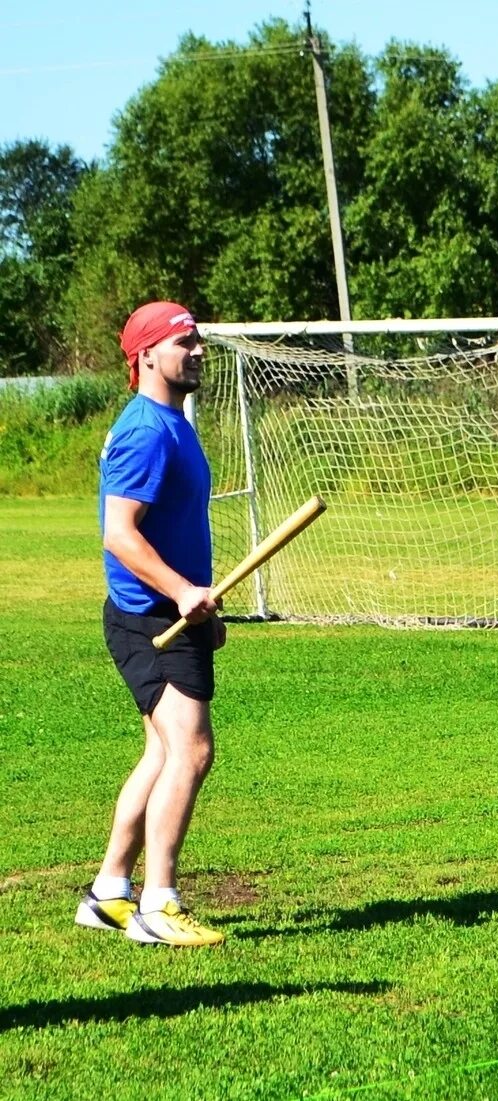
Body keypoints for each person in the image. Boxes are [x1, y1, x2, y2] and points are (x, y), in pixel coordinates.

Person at [75, 300, 226, 947]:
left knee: (163, 751)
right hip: (149, 618)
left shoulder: (172, 420)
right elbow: (119, 533)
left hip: (172, 614)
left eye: (197, 341)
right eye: (183, 342)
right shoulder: (145, 429)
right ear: (146, 356)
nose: (196, 351)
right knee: (191, 749)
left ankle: (109, 891)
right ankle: (159, 904)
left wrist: (202, 607)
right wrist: (182, 590)